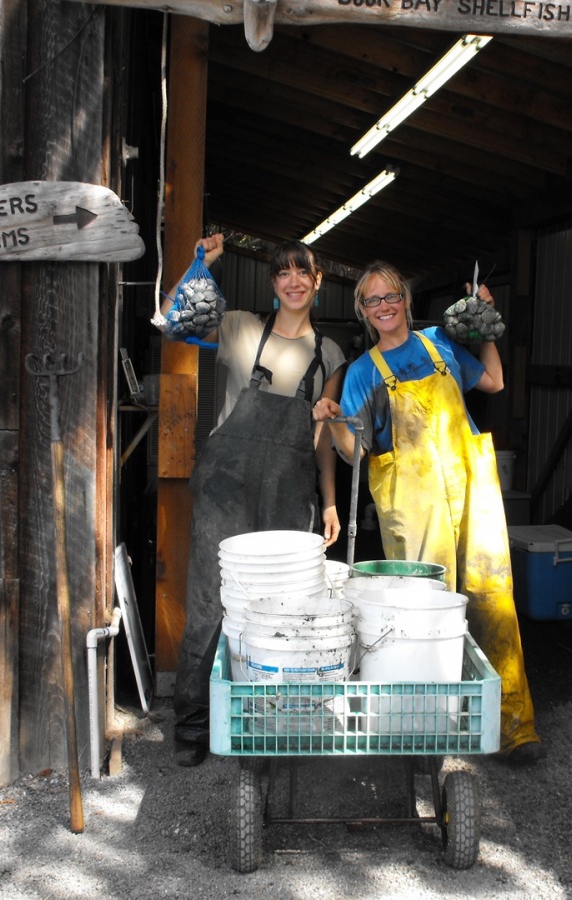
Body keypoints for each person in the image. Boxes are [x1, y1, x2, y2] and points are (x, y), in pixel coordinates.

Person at [314, 261, 544, 764]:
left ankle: (512, 723)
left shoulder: (441, 342)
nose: (385, 306)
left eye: (391, 295)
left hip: (470, 493)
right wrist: (333, 421)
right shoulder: (363, 373)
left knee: (491, 600)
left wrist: (484, 326)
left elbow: (495, 381)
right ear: (363, 311)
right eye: (373, 300)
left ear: (406, 299)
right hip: (414, 507)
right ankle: (424, 729)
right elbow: (355, 452)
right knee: (424, 614)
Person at [172, 234, 346, 767]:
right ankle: (192, 725)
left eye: (304, 273)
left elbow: (324, 441)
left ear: (317, 282)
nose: (294, 282)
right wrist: (198, 262)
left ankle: (272, 722)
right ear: (274, 284)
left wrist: (331, 502)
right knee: (209, 602)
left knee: (282, 609)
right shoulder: (242, 327)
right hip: (226, 484)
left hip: (289, 490)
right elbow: (176, 318)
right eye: (284, 273)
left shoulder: (332, 354)